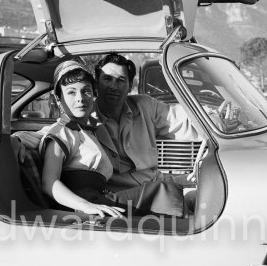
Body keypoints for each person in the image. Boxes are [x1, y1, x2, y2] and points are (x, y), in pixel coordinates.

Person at [94, 53, 200, 194]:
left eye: (120, 80)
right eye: (107, 79)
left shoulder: (145, 106)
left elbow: (181, 120)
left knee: (205, 188)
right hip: (119, 196)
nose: (113, 86)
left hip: (156, 183)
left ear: (130, 86)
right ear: (96, 83)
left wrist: (214, 117)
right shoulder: (86, 118)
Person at [40, 59, 125, 218]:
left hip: (101, 200)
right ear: (58, 100)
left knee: (161, 191)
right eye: (71, 92)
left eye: (86, 91)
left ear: (94, 95)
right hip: (82, 211)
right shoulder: (62, 132)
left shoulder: (87, 131)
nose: (80, 98)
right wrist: (86, 206)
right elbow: (48, 183)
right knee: (163, 193)